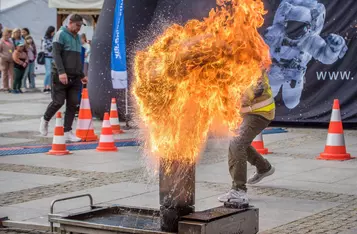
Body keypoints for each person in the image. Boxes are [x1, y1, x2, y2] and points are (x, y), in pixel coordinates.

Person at [218, 71, 276, 205]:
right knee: (239, 143)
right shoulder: (226, 59)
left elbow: (257, 87)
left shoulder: (249, 56)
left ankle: (239, 191)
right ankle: (264, 167)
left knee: (236, 143)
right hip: (245, 112)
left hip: (259, 112)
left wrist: (240, 96)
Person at [39, 14, 88, 142]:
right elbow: (56, 54)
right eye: (77, 25)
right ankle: (45, 119)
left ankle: (67, 131)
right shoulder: (60, 34)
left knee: (73, 104)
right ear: (70, 22)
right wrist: (61, 72)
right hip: (60, 75)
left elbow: (77, 59)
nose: (79, 28)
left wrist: (82, 75)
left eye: (80, 26)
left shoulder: (77, 37)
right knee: (58, 102)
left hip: (75, 77)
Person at [41, 26, 55, 93]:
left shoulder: (54, 38)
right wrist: (52, 46)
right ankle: (45, 86)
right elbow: (45, 47)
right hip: (47, 57)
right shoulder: (45, 38)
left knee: (52, 72)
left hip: (53, 57)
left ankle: (49, 86)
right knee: (48, 72)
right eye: (53, 31)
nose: (53, 33)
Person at [0, 28, 15, 92]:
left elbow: (13, 50)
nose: (7, 36)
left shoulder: (10, 41)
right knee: (5, 73)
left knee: (12, 73)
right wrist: (4, 56)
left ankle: (12, 86)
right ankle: (5, 87)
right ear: (3, 35)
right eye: (5, 35)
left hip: (11, 60)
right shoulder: (1, 42)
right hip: (4, 60)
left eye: (8, 35)